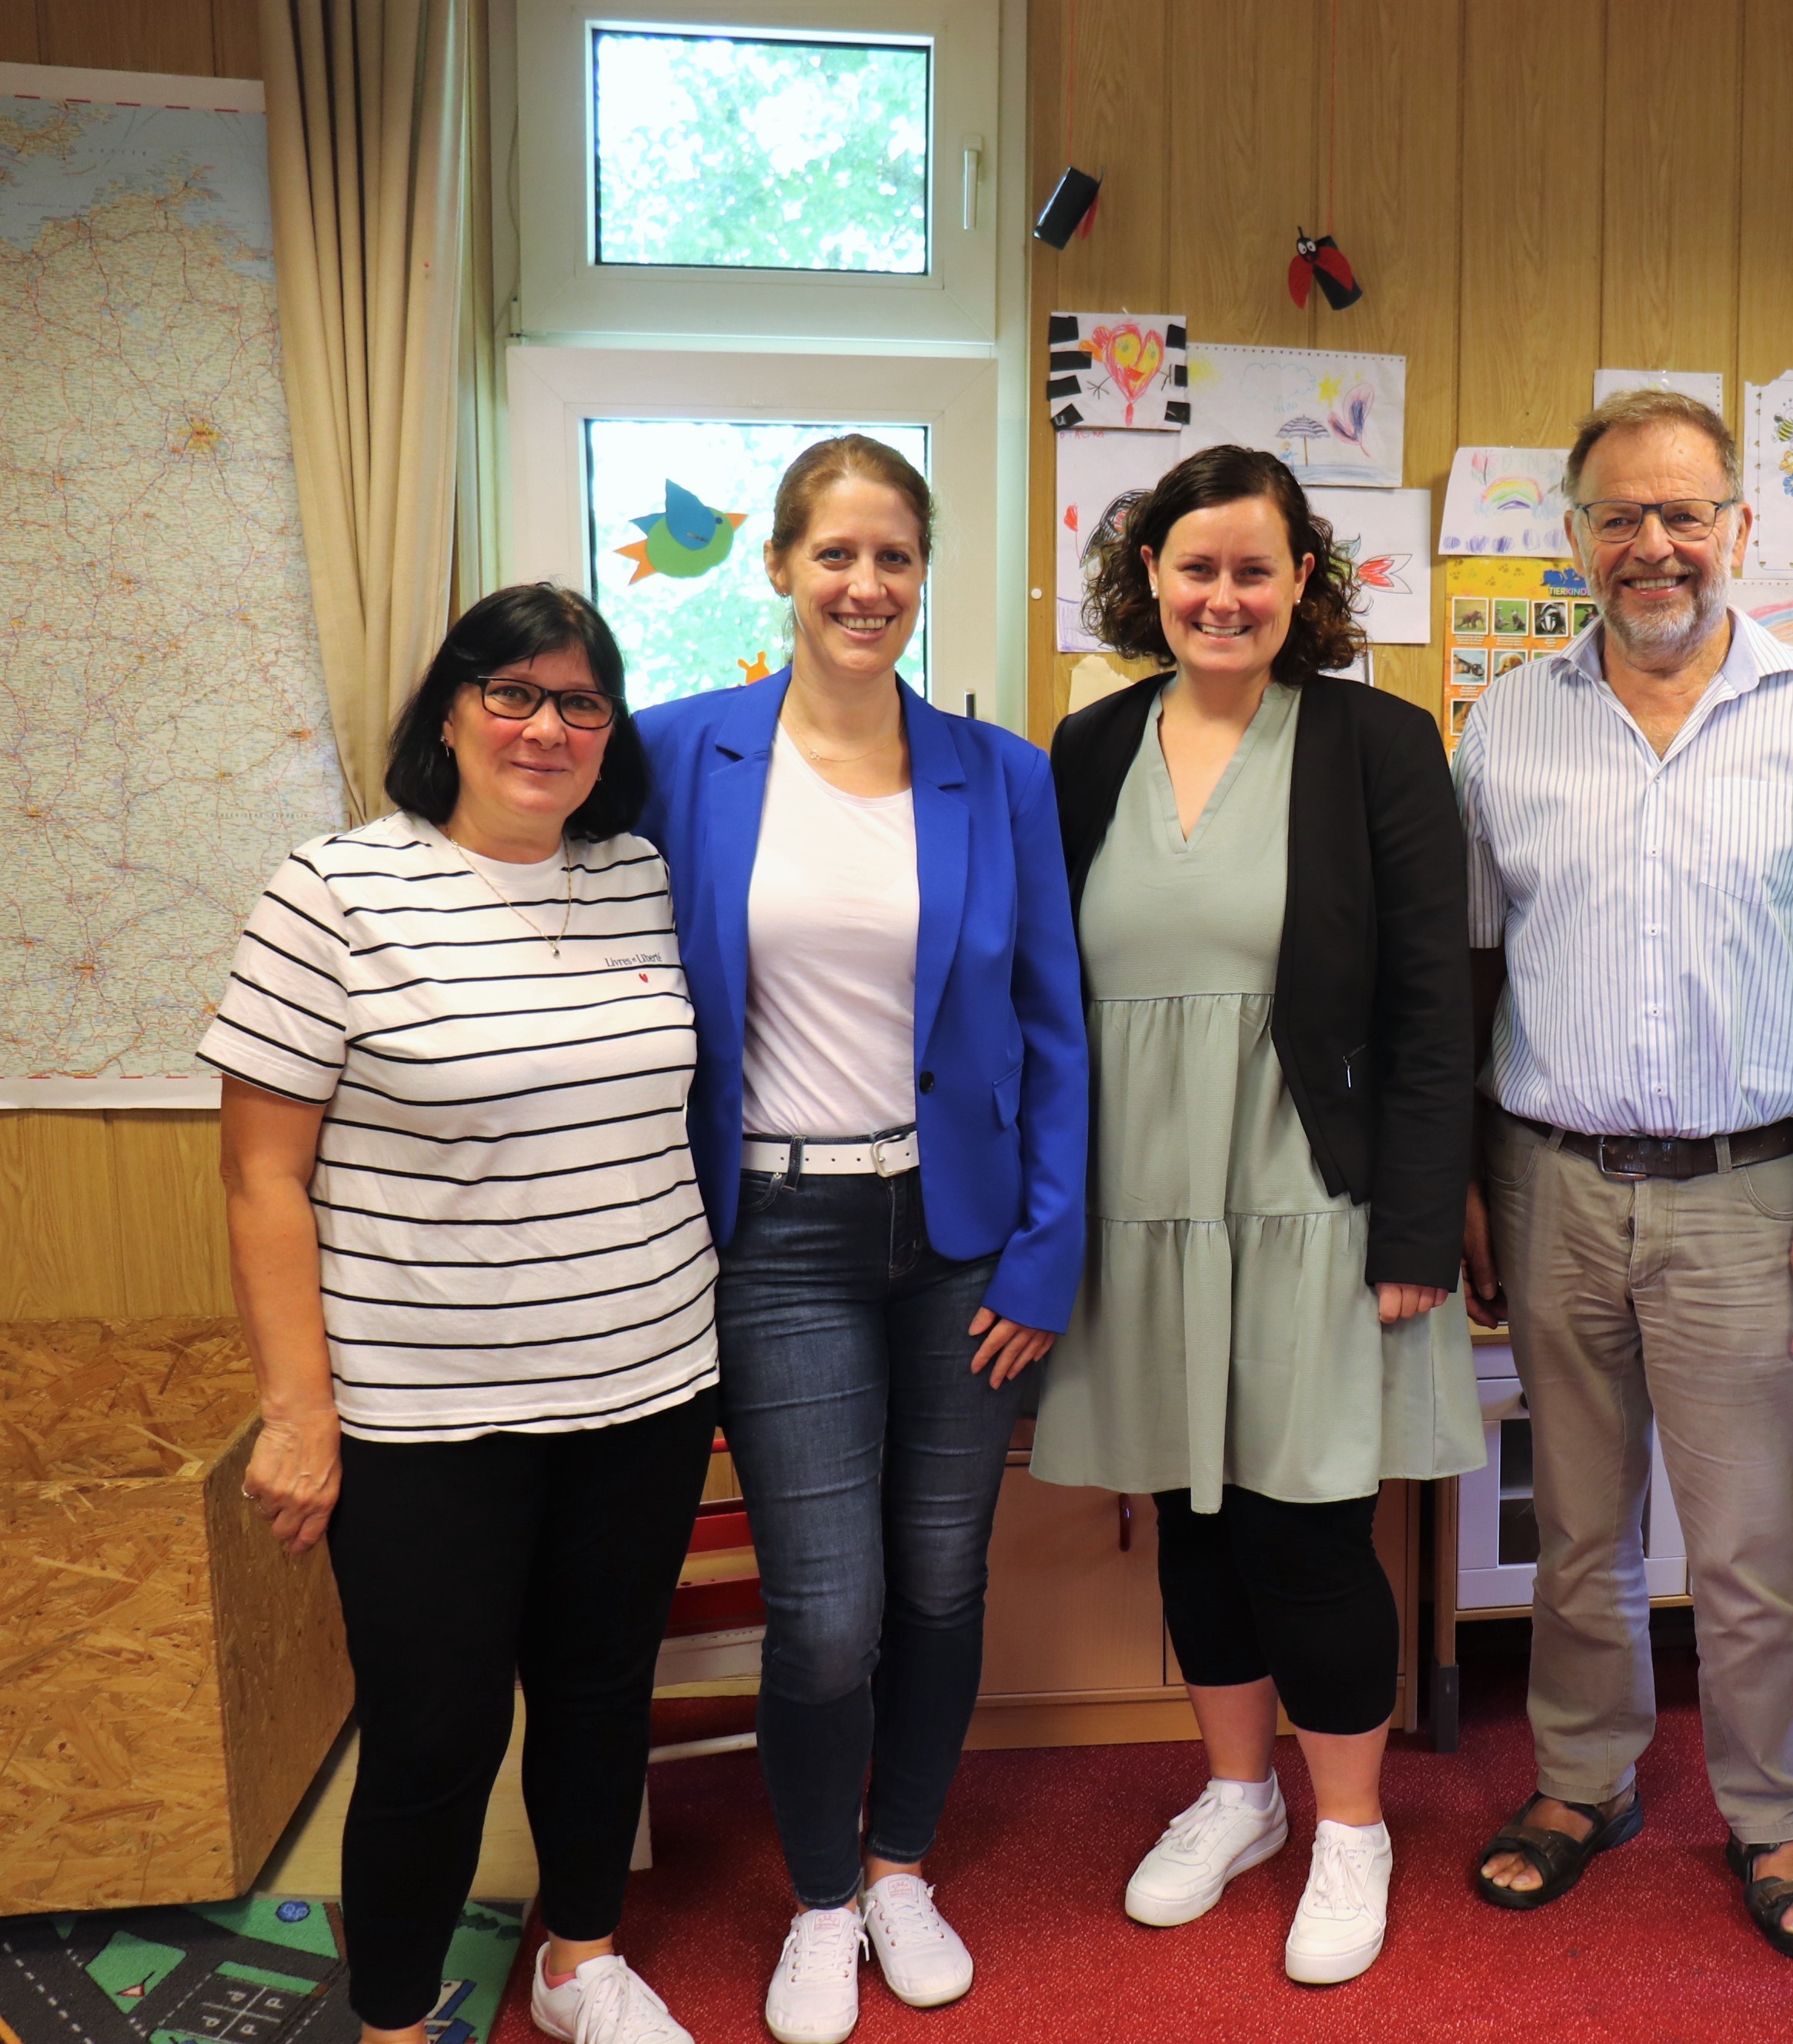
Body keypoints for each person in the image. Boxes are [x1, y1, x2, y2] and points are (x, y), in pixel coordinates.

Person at [208, 586, 714, 2044]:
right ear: (448, 708)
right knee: (435, 1734)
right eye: (511, 693)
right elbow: (260, 1181)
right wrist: (301, 1413)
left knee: (602, 1696)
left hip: (648, 1382)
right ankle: (389, 2018)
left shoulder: (635, 877)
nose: (544, 727)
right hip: (428, 1414)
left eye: (579, 702)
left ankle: (579, 1965)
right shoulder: (334, 890)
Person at [636, 436, 1087, 2044]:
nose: (865, 583)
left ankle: (903, 1863)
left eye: (894, 555)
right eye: (835, 552)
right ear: (779, 565)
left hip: (958, 1235)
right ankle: (821, 1898)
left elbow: (1053, 1026)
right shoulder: (677, 752)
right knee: (827, 1605)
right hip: (776, 1236)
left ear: (922, 572)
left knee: (945, 1576)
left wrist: (1045, 1252)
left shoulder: (998, 770)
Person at [1457, 387, 1793, 1959]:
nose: (1654, 544)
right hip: (1550, 1174)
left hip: (1751, 1186)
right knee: (1577, 1526)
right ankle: (1585, 1780)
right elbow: (1469, 964)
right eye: (1620, 517)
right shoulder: (1505, 721)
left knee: (1746, 1545)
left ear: (1740, 526)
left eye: (1683, 513)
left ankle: (1773, 1808)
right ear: (1576, 536)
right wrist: (1463, 1171)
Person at [1033, 444, 1481, 1986]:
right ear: (1147, 579)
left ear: (1305, 584)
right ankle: (1240, 1796)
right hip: (1138, 1198)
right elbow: (1042, 996)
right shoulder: (1085, 750)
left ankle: (1349, 1822)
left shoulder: (1376, 743)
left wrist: (1421, 1228)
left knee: (1306, 1526)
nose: (1224, 594)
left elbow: (1439, 1001)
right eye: (1195, 566)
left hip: (1312, 1192)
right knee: (1191, 1517)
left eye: (1255, 568)